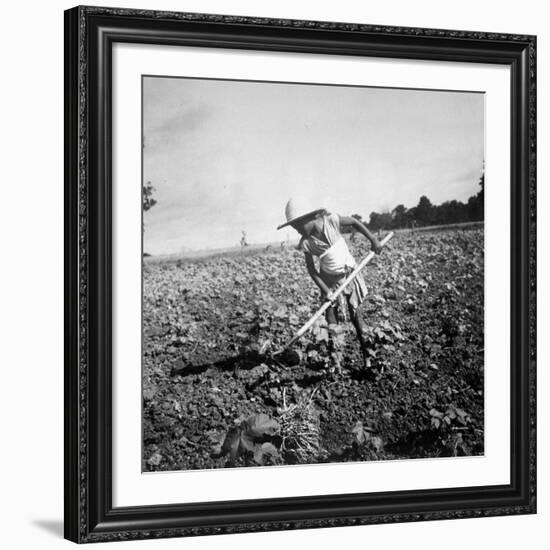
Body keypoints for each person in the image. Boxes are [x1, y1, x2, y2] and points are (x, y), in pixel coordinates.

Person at [277, 197, 382, 372]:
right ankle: (336, 363)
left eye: (298, 225)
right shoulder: (306, 243)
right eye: (294, 227)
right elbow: (312, 271)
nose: (297, 230)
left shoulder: (331, 221)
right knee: (331, 321)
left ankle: (369, 358)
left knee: (357, 317)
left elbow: (355, 222)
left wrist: (373, 240)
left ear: (310, 218)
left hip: (349, 274)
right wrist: (326, 291)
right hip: (328, 282)